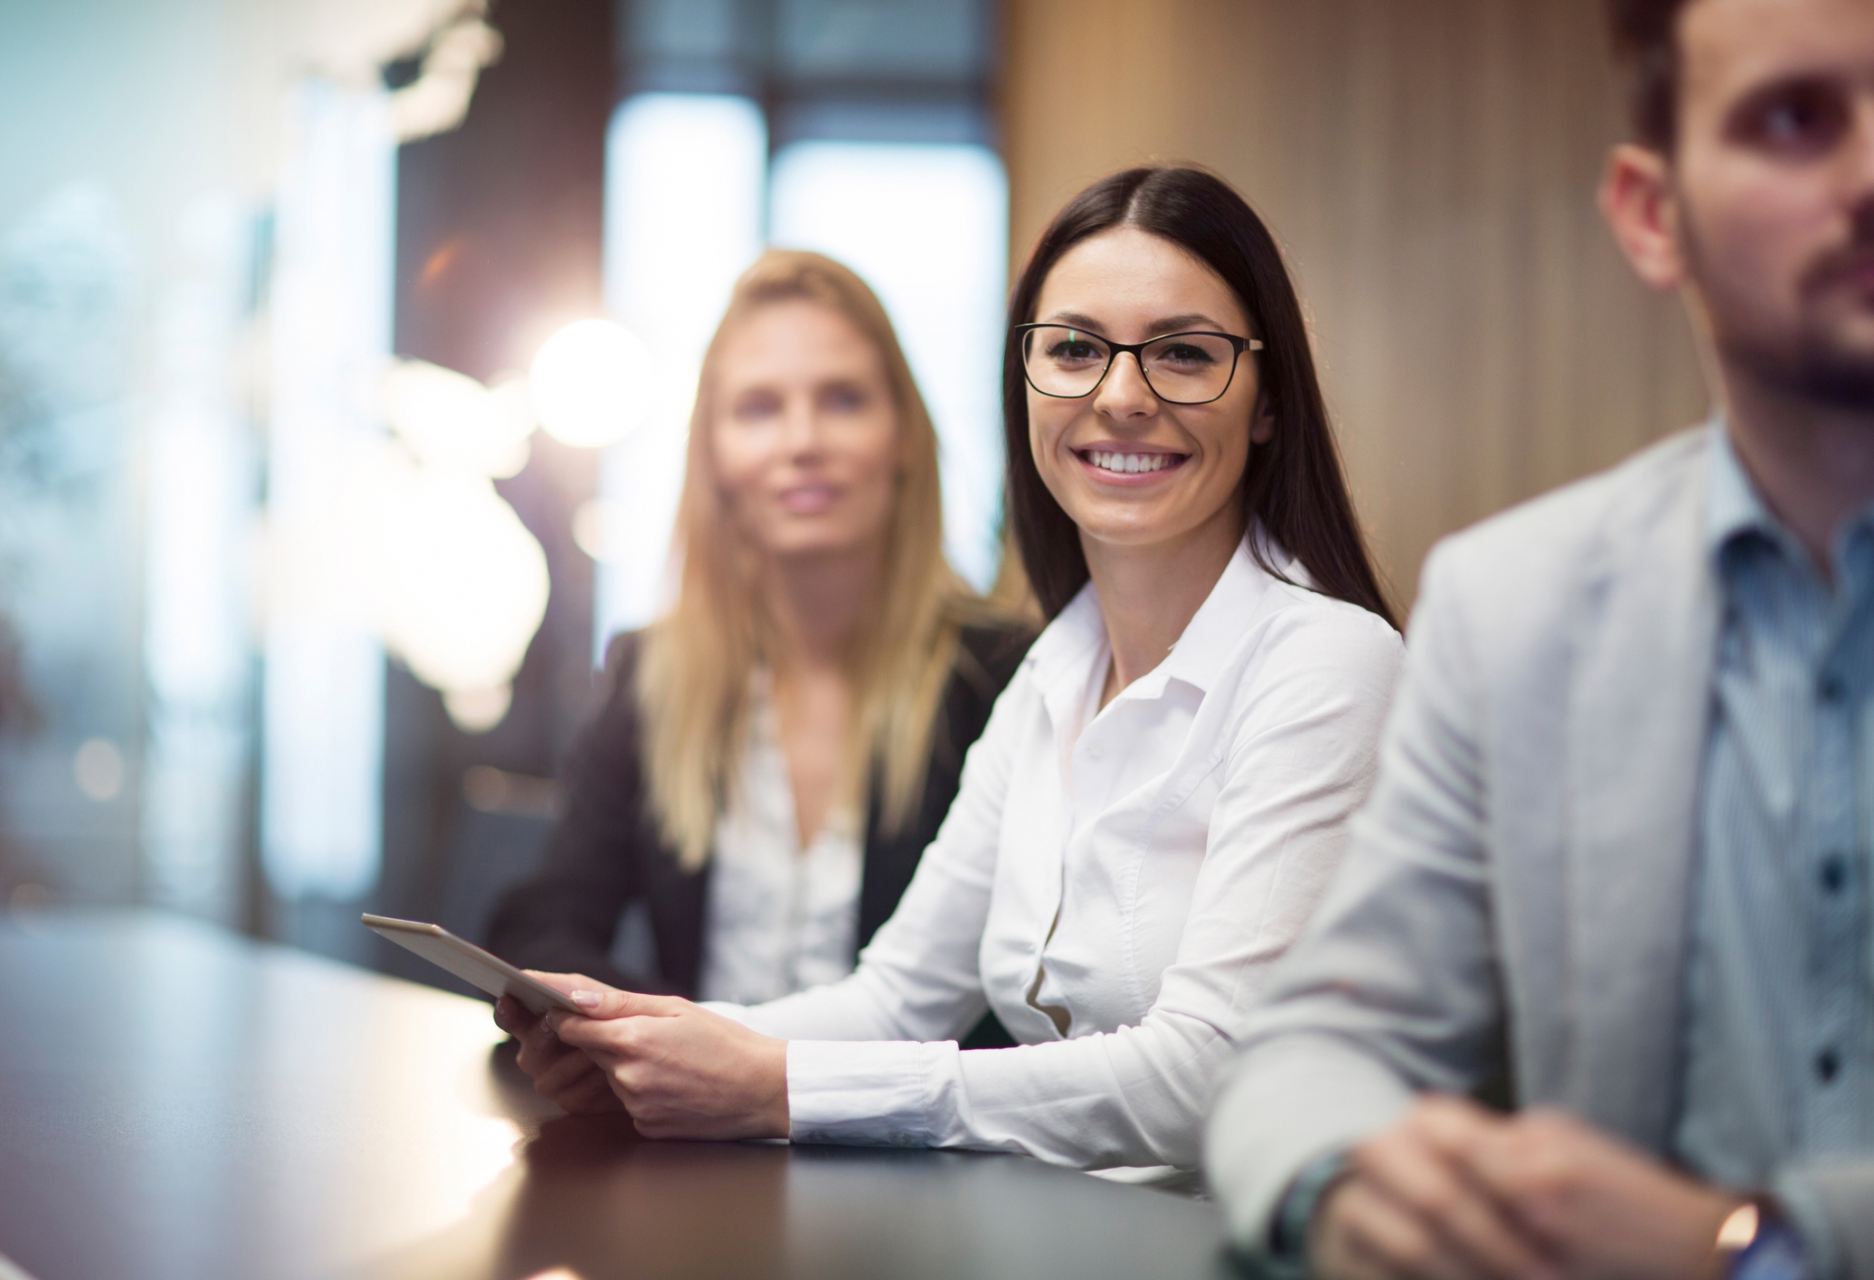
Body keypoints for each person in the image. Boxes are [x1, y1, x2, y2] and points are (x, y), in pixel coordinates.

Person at [495, 166, 1406, 1176]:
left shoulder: (1328, 660)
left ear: (1269, 401)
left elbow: (1211, 1074)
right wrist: (639, 1041)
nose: (1121, 394)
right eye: (1073, 349)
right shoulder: (1055, 673)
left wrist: (778, 1082)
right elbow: (894, 998)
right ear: (1027, 384)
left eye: (1185, 353)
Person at [1208, 1, 1874, 1277]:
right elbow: (1305, 1052)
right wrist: (1352, 1183)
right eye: (1794, 119)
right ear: (1650, 211)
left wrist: (1759, 1246)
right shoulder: (1515, 609)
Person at [486, 250, 1032, 1034]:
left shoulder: (1006, 677)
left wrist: (729, 1058)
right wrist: (685, 1051)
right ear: (713, 454)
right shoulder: (655, 671)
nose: (802, 440)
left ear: (905, 437)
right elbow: (543, 928)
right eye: (759, 409)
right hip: (689, 1145)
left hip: (921, 1146)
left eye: (843, 400)